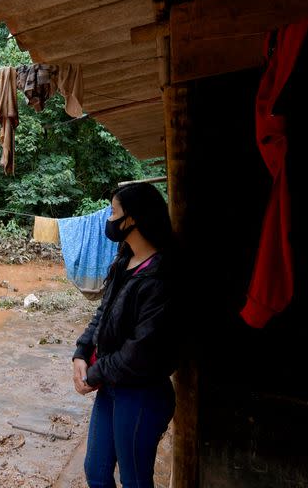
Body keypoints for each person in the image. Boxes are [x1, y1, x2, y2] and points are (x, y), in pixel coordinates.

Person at [72, 182, 181, 488]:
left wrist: (94, 374)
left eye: (113, 212)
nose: (109, 218)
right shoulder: (125, 261)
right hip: (112, 387)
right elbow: (102, 313)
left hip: (141, 393)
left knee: (134, 480)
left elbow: (141, 349)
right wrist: (81, 353)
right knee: (96, 471)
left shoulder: (162, 276)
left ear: (131, 219)